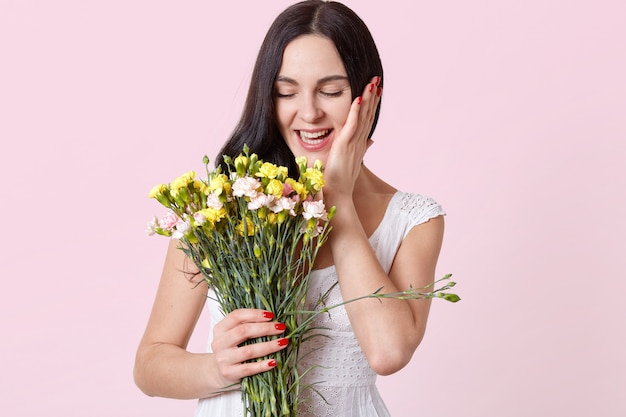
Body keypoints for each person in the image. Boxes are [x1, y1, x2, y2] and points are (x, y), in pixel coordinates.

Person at [134, 1, 445, 416]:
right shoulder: (221, 207)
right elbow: (149, 364)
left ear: (368, 95)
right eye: (286, 91)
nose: (310, 112)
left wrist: (338, 199)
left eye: (331, 91)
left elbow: (388, 353)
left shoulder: (412, 219)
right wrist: (219, 368)